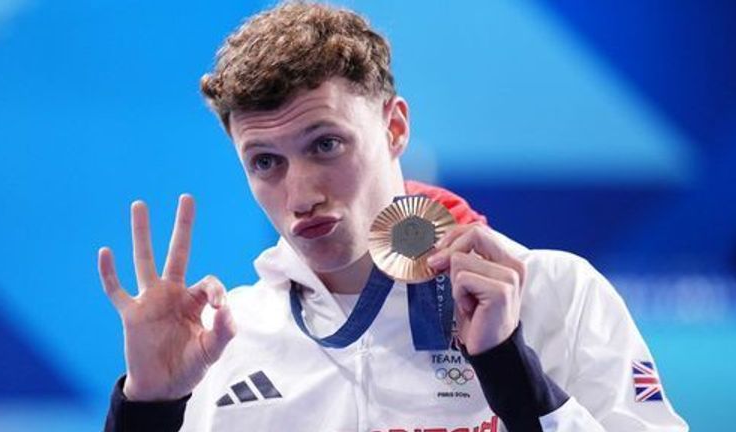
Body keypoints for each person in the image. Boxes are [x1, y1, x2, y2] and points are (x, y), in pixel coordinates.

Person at [100, 2, 688, 431]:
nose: (300, 193)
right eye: (265, 162)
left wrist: (511, 370)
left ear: (395, 127)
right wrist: (147, 411)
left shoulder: (557, 293)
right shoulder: (225, 343)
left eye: (325, 145)